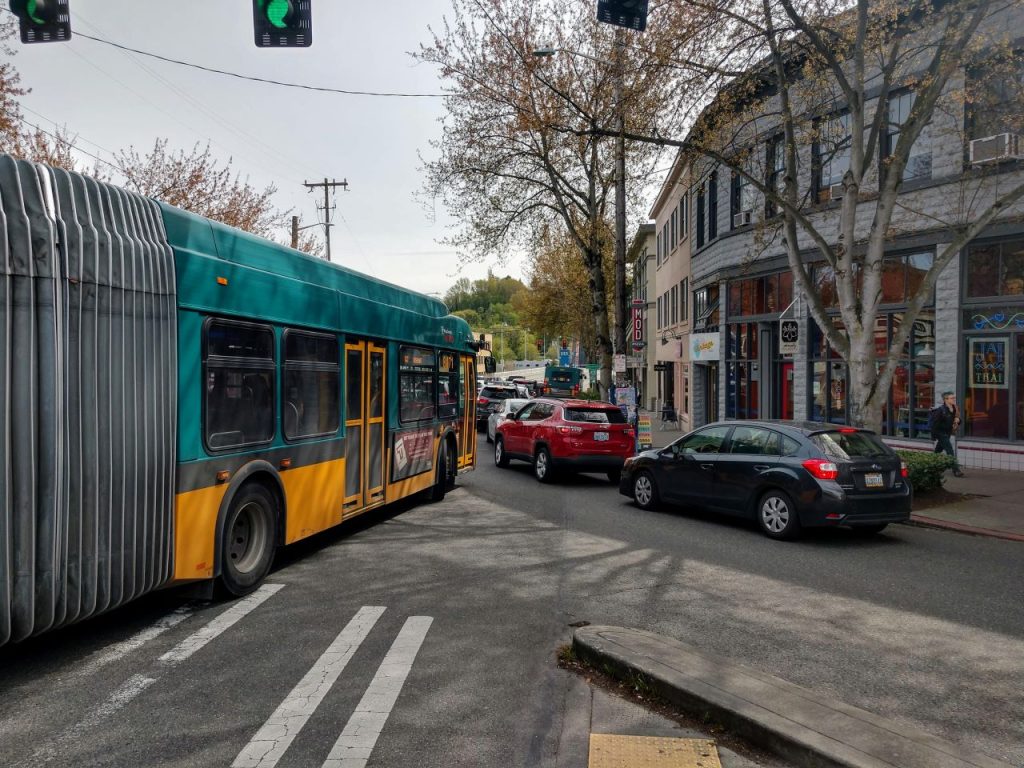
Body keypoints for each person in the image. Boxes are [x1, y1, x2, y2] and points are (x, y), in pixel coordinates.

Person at [929, 390, 964, 477]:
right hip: (941, 433)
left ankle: (929, 465)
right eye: (952, 398)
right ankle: (956, 470)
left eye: (954, 398)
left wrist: (959, 420)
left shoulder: (955, 408)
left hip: (947, 433)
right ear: (946, 399)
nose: (954, 399)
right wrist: (933, 436)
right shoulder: (940, 411)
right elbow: (934, 425)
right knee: (950, 451)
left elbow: (959, 420)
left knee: (938, 451)